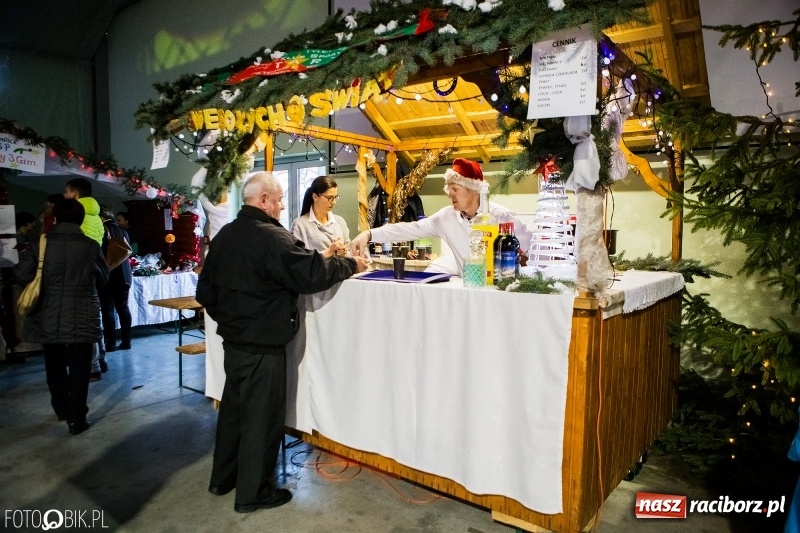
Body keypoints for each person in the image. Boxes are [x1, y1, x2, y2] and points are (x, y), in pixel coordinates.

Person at [196, 171, 367, 513]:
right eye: (276, 200)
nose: (280, 206)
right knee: (262, 417)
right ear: (262, 200)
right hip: (264, 343)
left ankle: (223, 478)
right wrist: (350, 264)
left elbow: (205, 293)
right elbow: (311, 275)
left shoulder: (226, 235)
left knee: (234, 412)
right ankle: (254, 492)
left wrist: (233, 321)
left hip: (234, 341)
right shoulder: (272, 238)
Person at [15, 198, 109, 435]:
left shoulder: (40, 244)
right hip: (83, 314)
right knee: (80, 367)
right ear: (80, 219)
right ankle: (77, 419)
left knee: (53, 364)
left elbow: (23, 275)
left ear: (55, 218)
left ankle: (61, 408)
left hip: (48, 313)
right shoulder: (90, 246)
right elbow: (102, 279)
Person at [350, 158, 533, 275]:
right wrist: (369, 235)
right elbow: (410, 229)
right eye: (449, 189)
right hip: (468, 292)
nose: (450, 194)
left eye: (455, 189)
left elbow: (531, 250)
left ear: (474, 190)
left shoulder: (500, 216)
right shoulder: (446, 217)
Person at [63, 177, 105, 380]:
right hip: (94, 271)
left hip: (78, 275)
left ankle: (93, 365)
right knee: (93, 318)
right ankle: (100, 359)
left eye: (67, 191)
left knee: (85, 323)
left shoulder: (77, 214)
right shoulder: (96, 215)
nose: (65, 195)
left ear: (75, 193)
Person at [99, 205, 133, 353]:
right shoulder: (124, 232)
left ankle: (110, 343)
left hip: (109, 274)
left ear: (101, 217)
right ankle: (127, 341)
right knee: (123, 307)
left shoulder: (102, 231)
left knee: (108, 309)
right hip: (125, 274)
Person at [290, 175, 350, 258]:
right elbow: (298, 260)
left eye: (335, 197)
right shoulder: (300, 225)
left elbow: (350, 251)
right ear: (315, 196)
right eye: (329, 198)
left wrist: (344, 251)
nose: (334, 202)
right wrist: (329, 251)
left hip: (341, 270)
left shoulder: (340, 221)